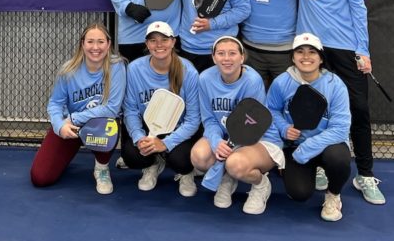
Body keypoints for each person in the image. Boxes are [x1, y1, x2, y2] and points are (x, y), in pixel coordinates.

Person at [287, 0, 385, 206]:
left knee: (358, 107)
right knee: (311, 108)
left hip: (344, 46)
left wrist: (363, 50)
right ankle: (319, 166)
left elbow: (358, 7)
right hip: (311, 47)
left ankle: (365, 174)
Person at [30, 22, 127, 195]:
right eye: (90, 41)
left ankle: (101, 168)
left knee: (110, 123)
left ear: (109, 44)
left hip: (98, 126)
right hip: (71, 127)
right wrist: (60, 126)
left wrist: (74, 118)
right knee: (40, 177)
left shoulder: (116, 66)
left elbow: (112, 108)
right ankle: (64, 158)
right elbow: (55, 103)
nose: (95, 47)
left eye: (100, 41)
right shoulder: (69, 70)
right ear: (82, 44)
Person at [266, 32, 352, 222]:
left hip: (327, 146)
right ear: (293, 57)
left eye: (312, 52)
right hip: (294, 146)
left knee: (338, 159)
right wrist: (283, 127)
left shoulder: (335, 85)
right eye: (300, 52)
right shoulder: (281, 82)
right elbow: (271, 110)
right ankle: (311, 172)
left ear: (321, 58)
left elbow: (340, 128)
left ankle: (333, 195)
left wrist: (307, 148)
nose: (306, 57)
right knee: (299, 194)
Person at [190, 36, 279, 215]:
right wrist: (216, 142)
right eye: (221, 54)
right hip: (226, 137)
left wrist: (226, 152)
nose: (226, 58)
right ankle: (227, 178)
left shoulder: (252, 81)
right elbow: (209, 119)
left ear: (242, 57)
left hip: (258, 138)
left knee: (235, 164)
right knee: (199, 157)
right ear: (214, 58)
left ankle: (261, 184)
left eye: (232, 53)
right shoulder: (205, 78)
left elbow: (251, 125)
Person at [121, 22, 200, 195]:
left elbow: (193, 119)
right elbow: (131, 110)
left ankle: (186, 174)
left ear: (173, 42)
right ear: (146, 44)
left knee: (182, 161)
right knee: (132, 155)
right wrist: (139, 137)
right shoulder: (135, 69)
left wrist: (165, 143)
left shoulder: (189, 71)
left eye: (164, 39)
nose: (159, 45)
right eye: (153, 40)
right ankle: (153, 164)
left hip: (178, 130)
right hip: (150, 128)